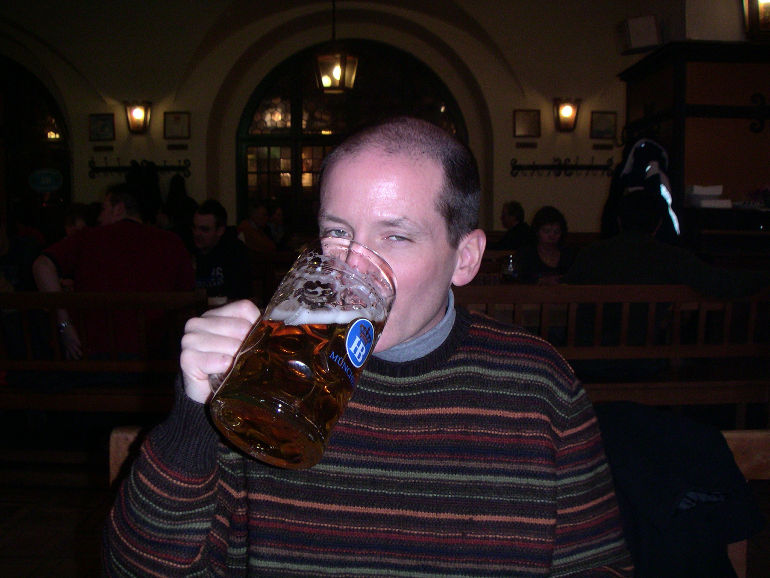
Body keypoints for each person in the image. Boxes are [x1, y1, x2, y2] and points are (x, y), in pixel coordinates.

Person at [103, 117, 633, 576]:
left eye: (394, 237)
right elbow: (133, 569)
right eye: (337, 233)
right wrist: (193, 417)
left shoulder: (539, 387)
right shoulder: (263, 373)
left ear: (466, 258)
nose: (353, 268)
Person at [32, 182, 195, 359]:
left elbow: (42, 265)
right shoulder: (171, 242)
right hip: (157, 358)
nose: (99, 217)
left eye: (104, 209)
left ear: (118, 209)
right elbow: (187, 297)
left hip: (94, 357)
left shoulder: (88, 239)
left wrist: (65, 324)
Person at [192, 199, 252, 303]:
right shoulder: (186, 248)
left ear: (220, 230)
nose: (197, 233)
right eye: (194, 228)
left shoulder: (234, 251)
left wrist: (203, 294)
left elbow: (238, 293)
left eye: (204, 229)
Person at [517, 205, 577, 284]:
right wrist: (541, 281)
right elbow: (519, 280)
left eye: (556, 232)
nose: (552, 236)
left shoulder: (569, 254)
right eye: (546, 231)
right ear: (537, 232)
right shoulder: (526, 254)